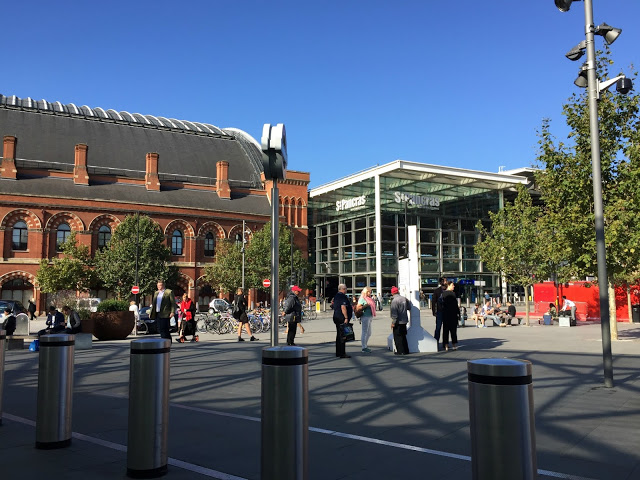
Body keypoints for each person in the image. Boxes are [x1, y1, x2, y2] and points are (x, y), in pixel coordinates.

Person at [332, 283, 352, 359]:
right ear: (343, 289)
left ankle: (338, 352)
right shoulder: (342, 296)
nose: (346, 290)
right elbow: (343, 307)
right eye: (346, 288)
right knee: (342, 335)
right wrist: (346, 318)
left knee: (339, 335)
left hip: (336, 317)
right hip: (341, 318)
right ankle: (342, 353)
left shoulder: (336, 296)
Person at [390, 286, 410, 355]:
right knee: (403, 336)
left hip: (398, 321)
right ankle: (406, 350)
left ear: (392, 293)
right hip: (404, 320)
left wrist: (393, 322)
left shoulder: (394, 301)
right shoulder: (404, 299)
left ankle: (400, 351)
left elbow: (394, 313)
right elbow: (409, 307)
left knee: (397, 337)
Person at [357, 286, 376, 353]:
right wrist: (365, 305)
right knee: (365, 332)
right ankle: (364, 347)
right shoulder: (362, 298)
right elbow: (358, 308)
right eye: (369, 291)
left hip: (370, 316)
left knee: (369, 333)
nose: (370, 293)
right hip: (365, 316)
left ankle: (365, 345)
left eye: (370, 291)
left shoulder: (369, 298)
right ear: (366, 291)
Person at [441, 282, 459, 351]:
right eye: (452, 285)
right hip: (452, 314)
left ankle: (446, 345)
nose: (453, 286)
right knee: (453, 330)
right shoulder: (453, 294)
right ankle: (454, 344)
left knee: (446, 330)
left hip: (446, 314)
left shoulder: (443, 294)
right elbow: (455, 305)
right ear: (448, 286)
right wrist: (458, 313)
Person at [431, 277, 447, 349]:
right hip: (440, 312)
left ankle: (445, 343)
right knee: (438, 328)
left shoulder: (448, 290)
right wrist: (434, 312)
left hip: (446, 312)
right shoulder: (437, 291)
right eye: (445, 280)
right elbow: (433, 302)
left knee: (446, 328)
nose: (446, 282)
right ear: (442, 282)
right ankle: (436, 342)